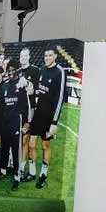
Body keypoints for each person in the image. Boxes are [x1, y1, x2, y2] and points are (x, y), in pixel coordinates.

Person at [27, 44, 66, 189]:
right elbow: (37, 90)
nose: (47, 58)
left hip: (49, 118)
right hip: (37, 115)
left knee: (45, 145)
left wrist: (54, 122)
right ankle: (31, 172)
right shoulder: (41, 70)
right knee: (31, 144)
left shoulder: (59, 72)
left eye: (50, 55)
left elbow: (60, 97)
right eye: (45, 56)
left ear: (55, 56)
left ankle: (43, 175)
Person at [0, 60, 29, 191]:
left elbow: (26, 106)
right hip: (5, 123)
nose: (11, 73)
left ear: (16, 70)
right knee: (4, 148)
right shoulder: (5, 85)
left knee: (15, 151)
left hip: (16, 124)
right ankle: (2, 171)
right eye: (9, 71)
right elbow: (0, 105)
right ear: (7, 72)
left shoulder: (20, 85)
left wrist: (26, 122)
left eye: (13, 70)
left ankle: (17, 177)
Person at [18, 46, 40, 182]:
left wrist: (30, 86)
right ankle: (21, 169)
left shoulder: (35, 70)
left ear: (29, 57)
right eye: (21, 56)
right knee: (23, 141)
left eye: (25, 55)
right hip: (20, 111)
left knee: (31, 143)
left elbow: (36, 91)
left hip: (32, 111)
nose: (23, 58)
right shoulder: (18, 71)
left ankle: (32, 172)